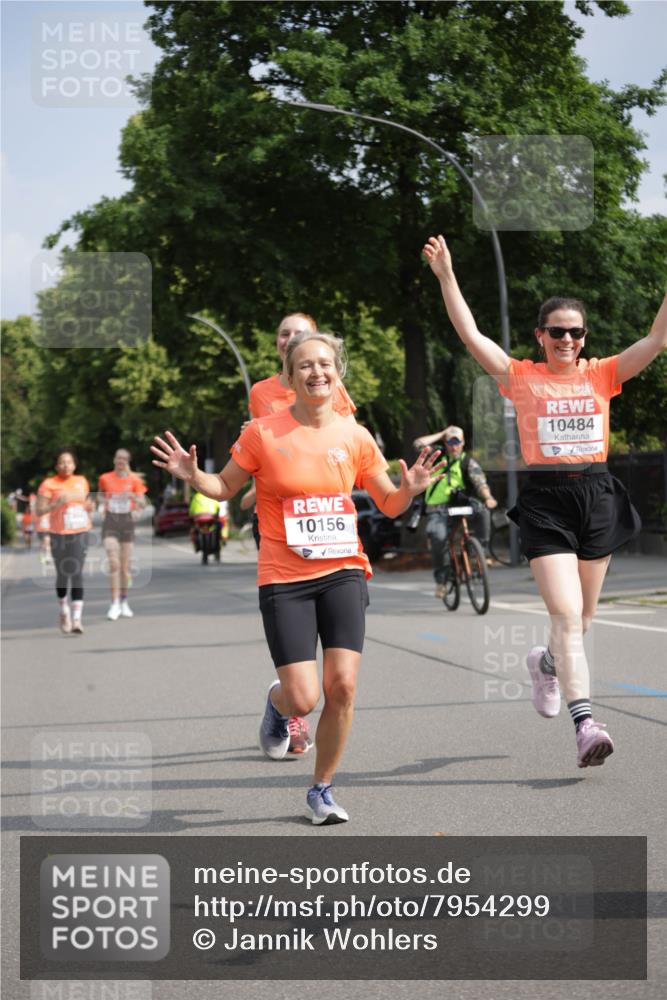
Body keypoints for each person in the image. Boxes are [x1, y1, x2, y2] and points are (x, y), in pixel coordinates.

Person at [152, 330, 443, 823]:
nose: (317, 372)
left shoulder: (355, 435)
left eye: (325, 364)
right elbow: (224, 487)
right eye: (305, 365)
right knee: (304, 699)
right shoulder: (263, 432)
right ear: (287, 377)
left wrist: (409, 489)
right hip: (285, 577)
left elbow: (390, 503)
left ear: (338, 372)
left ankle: (321, 789)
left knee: (343, 686)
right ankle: (277, 701)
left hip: (343, 571)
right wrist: (192, 476)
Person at [423, 233, 666, 769]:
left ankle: (546, 664)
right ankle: (587, 724)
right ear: (541, 335)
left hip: (597, 494)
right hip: (547, 502)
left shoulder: (602, 374)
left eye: (575, 332)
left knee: (580, 620)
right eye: (557, 331)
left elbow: (655, 337)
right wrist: (446, 276)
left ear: (584, 337)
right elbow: (470, 334)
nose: (567, 339)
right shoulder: (522, 377)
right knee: (564, 610)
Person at [247, 312, 358, 755]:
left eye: (301, 333)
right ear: (280, 349)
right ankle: (293, 709)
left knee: (339, 674)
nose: (291, 338)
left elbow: (343, 440)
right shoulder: (262, 393)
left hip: (331, 525)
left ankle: (296, 703)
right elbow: (266, 447)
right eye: (285, 335)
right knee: (300, 670)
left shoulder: (330, 383)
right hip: (281, 520)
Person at [413, 425, 498, 596]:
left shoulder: (468, 461)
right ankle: (442, 580)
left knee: (483, 512)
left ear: (463, 442)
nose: (453, 445)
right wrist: (442, 433)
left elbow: (480, 482)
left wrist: (488, 497)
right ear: (445, 443)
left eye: (456, 441)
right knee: (438, 537)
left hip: (461, 505)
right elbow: (418, 443)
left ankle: (480, 554)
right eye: (450, 441)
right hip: (438, 509)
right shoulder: (437, 458)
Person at [36, 448, 93, 634]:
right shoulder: (48, 484)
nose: (65, 465)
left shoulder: (81, 481)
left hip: (80, 531)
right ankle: (64, 610)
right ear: (56, 465)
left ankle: (77, 620)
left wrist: (90, 506)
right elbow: (39, 510)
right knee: (63, 574)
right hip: (58, 533)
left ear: (74, 465)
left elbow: (87, 503)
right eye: (61, 462)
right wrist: (56, 504)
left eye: (69, 462)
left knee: (76, 572)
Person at [98, 449, 148, 620]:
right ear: (114, 459)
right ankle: (114, 604)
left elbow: (142, 501)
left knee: (125, 567)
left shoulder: (134, 480)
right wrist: (104, 502)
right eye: (118, 457)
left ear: (128, 461)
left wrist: (133, 497)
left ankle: (124, 601)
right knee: (114, 564)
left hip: (126, 522)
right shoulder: (105, 478)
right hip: (110, 522)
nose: (121, 460)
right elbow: (100, 497)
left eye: (124, 458)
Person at [188, 489, 228, 558]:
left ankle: (196, 546)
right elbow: (217, 508)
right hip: (211, 518)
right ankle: (222, 542)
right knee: (218, 529)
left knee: (194, 530)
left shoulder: (196, 496)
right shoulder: (212, 496)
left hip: (199, 519)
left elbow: (191, 511)